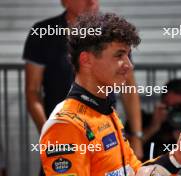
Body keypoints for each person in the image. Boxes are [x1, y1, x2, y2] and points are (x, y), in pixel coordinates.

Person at [39, 12, 181, 175]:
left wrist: (176, 159)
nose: (129, 65)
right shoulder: (67, 125)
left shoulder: (106, 112)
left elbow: (135, 171)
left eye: (128, 55)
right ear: (86, 60)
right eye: (119, 55)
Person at [23, 0, 143, 159]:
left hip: (104, 128)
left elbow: (129, 86)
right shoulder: (44, 32)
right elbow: (32, 91)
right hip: (65, 128)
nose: (91, 1)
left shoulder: (110, 32)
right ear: (65, 2)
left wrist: (136, 135)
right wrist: (49, 133)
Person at [128, 79, 181, 161]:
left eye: (178, 107)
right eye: (167, 105)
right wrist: (152, 127)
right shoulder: (139, 121)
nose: (172, 111)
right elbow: (125, 153)